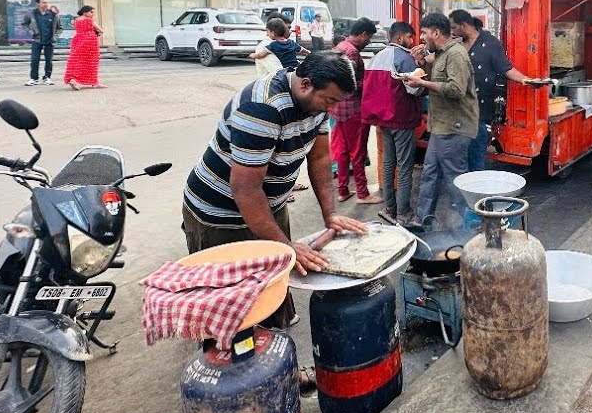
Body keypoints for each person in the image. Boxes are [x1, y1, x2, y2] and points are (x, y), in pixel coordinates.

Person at [182, 51, 370, 329]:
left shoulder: (315, 105)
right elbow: (245, 190)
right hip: (221, 213)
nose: (332, 110)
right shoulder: (262, 108)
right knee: (234, 310)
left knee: (274, 286)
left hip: (268, 205)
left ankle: (280, 359)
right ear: (305, 84)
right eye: (330, 101)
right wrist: (285, 245)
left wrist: (329, 214)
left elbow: (319, 158)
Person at [406, 12, 478, 228]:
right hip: (441, 126)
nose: (422, 38)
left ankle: (470, 226)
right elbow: (437, 76)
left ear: (436, 32)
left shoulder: (456, 54)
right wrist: (421, 62)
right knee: (429, 173)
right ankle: (422, 219)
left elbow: (456, 90)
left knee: (455, 179)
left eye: (425, 33)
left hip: (455, 127)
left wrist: (422, 84)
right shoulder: (440, 53)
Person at [449, 9, 544, 171]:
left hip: (480, 110)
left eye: (453, 27)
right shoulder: (458, 43)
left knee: (476, 156)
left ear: (464, 26)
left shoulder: (490, 43)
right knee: (459, 157)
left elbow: (506, 69)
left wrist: (526, 80)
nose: (451, 32)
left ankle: (477, 192)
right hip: (459, 109)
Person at [361, 21, 424, 219]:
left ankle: (390, 207)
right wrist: (424, 77)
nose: (412, 41)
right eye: (409, 37)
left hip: (383, 120)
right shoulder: (404, 58)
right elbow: (414, 88)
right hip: (402, 119)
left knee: (389, 163)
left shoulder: (377, 56)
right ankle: (404, 212)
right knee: (405, 167)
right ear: (399, 38)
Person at [331, 18, 382, 205]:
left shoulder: (340, 47)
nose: (369, 41)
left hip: (338, 109)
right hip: (353, 110)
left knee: (343, 152)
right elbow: (349, 83)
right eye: (369, 38)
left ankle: (343, 190)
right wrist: (369, 83)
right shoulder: (352, 52)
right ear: (363, 35)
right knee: (358, 152)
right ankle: (362, 193)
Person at [23, 0, 62, 86]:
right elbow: (24, 24)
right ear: (38, 4)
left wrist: (55, 37)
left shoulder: (53, 14)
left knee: (49, 60)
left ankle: (47, 78)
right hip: (37, 40)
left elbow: (59, 28)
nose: (46, 4)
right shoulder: (31, 13)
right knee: (34, 59)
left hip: (49, 40)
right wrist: (30, 31)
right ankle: (33, 78)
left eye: (47, 2)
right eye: (43, 2)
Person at [63, 5, 105, 90]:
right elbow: (101, 30)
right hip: (90, 42)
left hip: (78, 41)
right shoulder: (90, 20)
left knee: (77, 61)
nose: (93, 14)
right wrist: (96, 31)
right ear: (85, 12)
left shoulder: (75, 20)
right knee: (91, 62)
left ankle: (74, 79)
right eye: (91, 12)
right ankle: (94, 83)